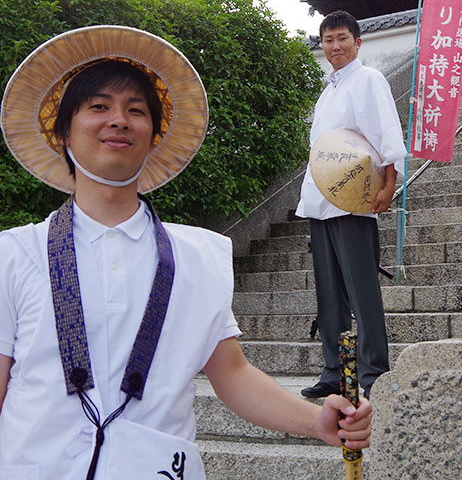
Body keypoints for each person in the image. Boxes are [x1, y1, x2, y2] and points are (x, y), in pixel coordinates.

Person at [0, 25, 371, 479]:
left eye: (136, 110)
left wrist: (314, 420)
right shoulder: (14, 255)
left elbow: (232, 374)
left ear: (153, 135)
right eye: (98, 107)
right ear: (63, 133)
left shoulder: (198, 256)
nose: (118, 120)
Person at [296, 10, 406, 400]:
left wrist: (389, 186)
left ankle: (374, 370)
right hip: (320, 200)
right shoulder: (328, 91)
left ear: (358, 42)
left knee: (362, 290)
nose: (335, 46)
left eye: (342, 38)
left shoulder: (368, 80)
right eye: (328, 40)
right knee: (328, 293)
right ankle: (332, 370)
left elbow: (386, 134)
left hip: (355, 199)